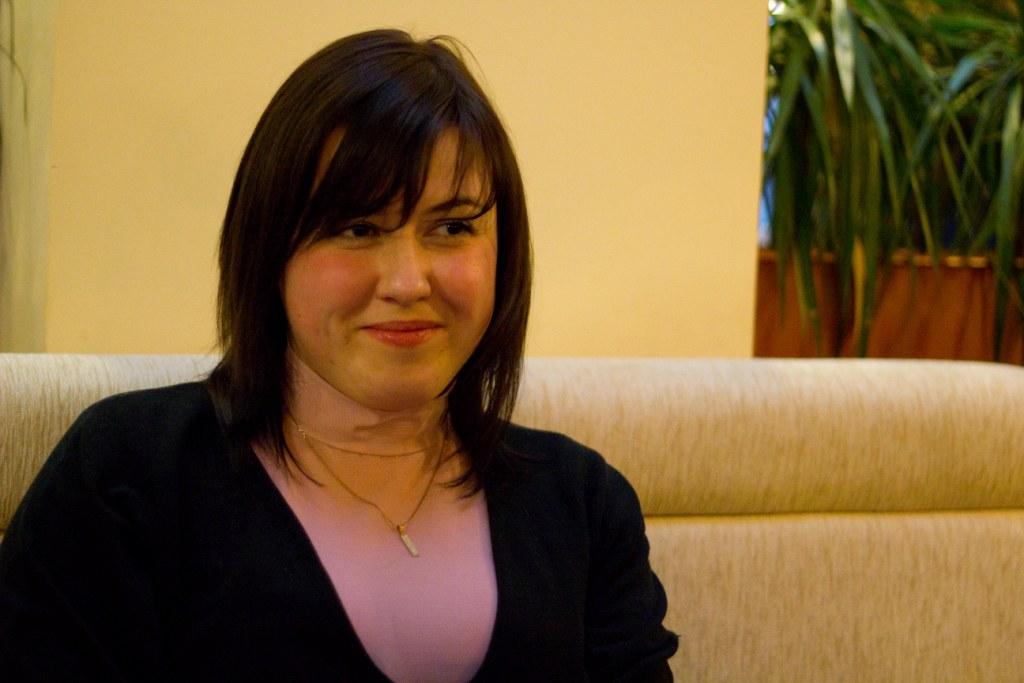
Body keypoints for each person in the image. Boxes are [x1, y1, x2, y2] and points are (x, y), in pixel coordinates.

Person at [0, 29, 678, 681]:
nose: (409, 282)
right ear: (270, 251)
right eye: (358, 228)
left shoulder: (583, 503)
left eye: (452, 226)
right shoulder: (127, 475)